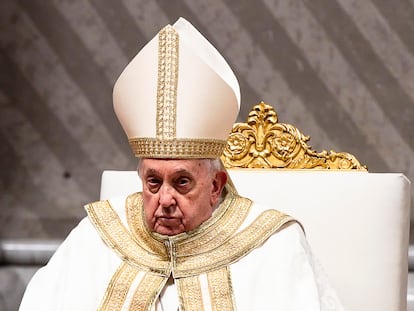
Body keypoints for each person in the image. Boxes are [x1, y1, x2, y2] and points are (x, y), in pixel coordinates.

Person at [19, 18, 343, 310]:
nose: (165, 200)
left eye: (182, 182)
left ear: (216, 185)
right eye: (153, 182)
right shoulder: (97, 235)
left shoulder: (273, 245)